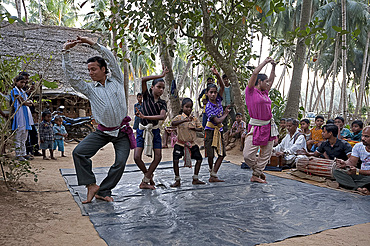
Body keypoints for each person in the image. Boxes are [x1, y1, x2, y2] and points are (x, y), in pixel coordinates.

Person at [62, 36, 135, 203]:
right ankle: (90, 185)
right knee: (79, 153)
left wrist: (91, 43)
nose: (90, 73)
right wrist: (66, 52)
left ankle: (104, 191)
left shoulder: (116, 79)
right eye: (88, 70)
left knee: (120, 163)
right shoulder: (89, 89)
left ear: (103, 69)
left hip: (122, 132)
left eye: (94, 69)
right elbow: (72, 78)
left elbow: (110, 57)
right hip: (103, 132)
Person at [243, 57, 277, 183]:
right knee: (247, 155)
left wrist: (273, 67)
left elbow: (272, 79)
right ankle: (258, 171)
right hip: (255, 126)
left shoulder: (265, 93)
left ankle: (256, 174)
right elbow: (254, 73)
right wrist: (265, 62)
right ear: (259, 82)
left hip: (268, 127)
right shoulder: (251, 91)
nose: (268, 83)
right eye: (266, 81)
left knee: (266, 154)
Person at [134, 69, 169, 190]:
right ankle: (148, 176)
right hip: (142, 130)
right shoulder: (146, 97)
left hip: (154, 130)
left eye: (163, 88)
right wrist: (161, 75)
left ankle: (145, 180)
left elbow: (162, 116)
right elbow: (143, 79)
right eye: (159, 86)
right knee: (137, 157)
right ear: (152, 87)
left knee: (158, 157)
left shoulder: (162, 103)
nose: (161, 90)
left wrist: (145, 117)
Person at [170, 98, 205, 187]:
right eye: (187, 107)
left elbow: (200, 128)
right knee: (175, 160)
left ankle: (195, 178)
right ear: (182, 107)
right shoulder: (179, 117)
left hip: (192, 144)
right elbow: (173, 123)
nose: (189, 109)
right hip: (180, 144)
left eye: (190, 107)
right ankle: (177, 180)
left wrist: (195, 129)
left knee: (199, 159)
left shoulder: (194, 119)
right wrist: (184, 120)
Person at [204, 66, 230, 182]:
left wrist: (217, 74)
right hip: (210, 130)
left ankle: (213, 174)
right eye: (211, 92)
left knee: (222, 153)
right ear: (207, 93)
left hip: (218, 131)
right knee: (210, 154)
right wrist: (225, 114)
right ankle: (211, 171)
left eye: (215, 92)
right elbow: (217, 121)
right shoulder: (208, 107)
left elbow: (222, 87)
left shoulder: (219, 99)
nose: (213, 94)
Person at [334, 126, 370, 195]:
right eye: (362, 136)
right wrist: (345, 164)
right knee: (336, 171)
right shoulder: (358, 146)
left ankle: (353, 186)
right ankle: (359, 187)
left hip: (364, 174)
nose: (362, 138)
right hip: (361, 175)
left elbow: (358, 171)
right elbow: (352, 162)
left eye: (366, 136)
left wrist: (358, 171)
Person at [10, 75, 34, 161]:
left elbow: (27, 101)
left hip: (25, 114)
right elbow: (22, 101)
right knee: (19, 133)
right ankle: (18, 154)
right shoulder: (14, 90)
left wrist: (28, 102)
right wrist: (28, 103)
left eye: (24, 82)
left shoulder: (22, 91)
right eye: (21, 82)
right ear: (16, 82)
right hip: (19, 114)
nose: (23, 84)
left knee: (24, 135)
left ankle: (23, 153)